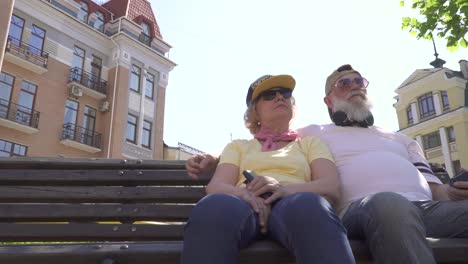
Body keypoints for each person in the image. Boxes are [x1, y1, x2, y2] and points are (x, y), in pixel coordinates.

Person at [186, 65, 468, 264]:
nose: (355, 86)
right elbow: (232, 163)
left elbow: (435, 188)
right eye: (345, 83)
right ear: (328, 100)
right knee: (215, 207)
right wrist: (212, 158)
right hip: (373, 209)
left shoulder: (400, 139)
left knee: (314, 206)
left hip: (425, 209)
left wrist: (452, 192)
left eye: (360, 81)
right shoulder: (315, 133)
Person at [181, 74, 356, 264]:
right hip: (245, 204)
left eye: (285, 93)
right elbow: (216, 186)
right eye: (269, 95)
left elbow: (330, 186)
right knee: (214, 207)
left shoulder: (310, 144)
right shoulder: (239, 146)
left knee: (311, 206)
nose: (280, 97)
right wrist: (247, 195)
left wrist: (281, 190)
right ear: (255, 111)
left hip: (294, 203)